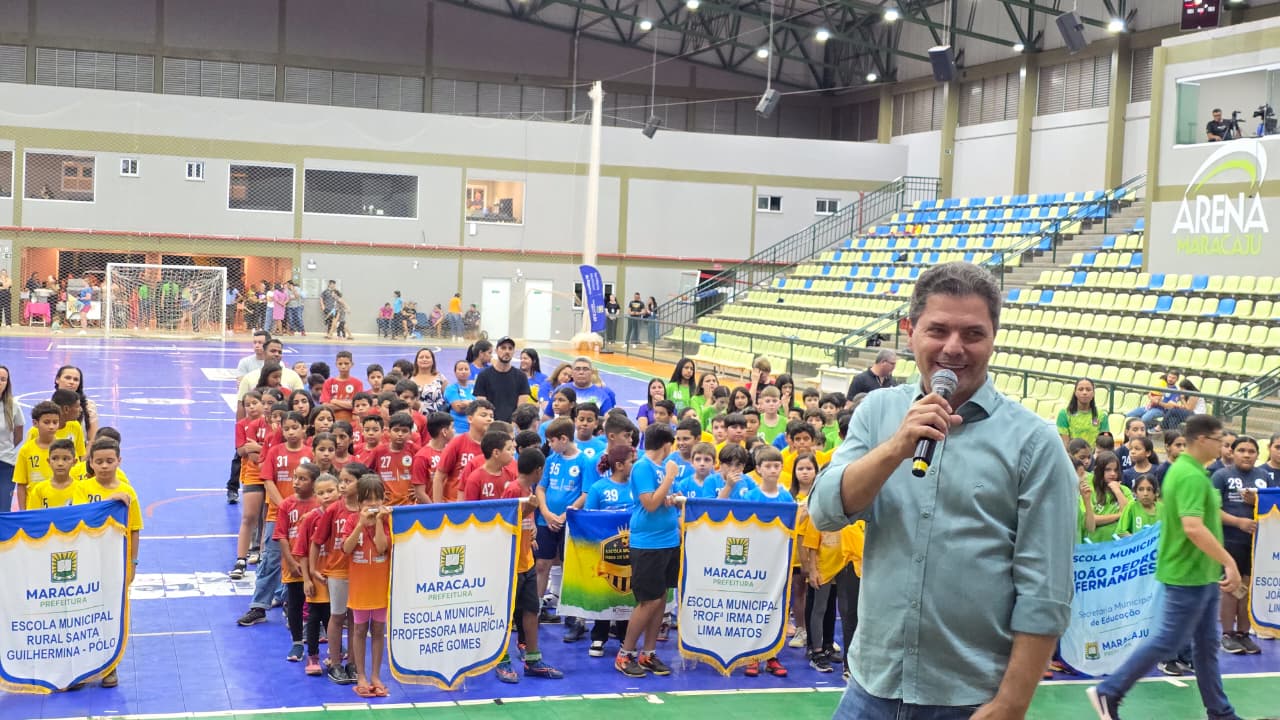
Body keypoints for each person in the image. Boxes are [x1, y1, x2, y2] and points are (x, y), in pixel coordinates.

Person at [809, 262, 1074, 718]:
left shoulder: (1034, 443)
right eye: (938, 330)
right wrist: (895, 447)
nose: (954, 348)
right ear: (910, 332)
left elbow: (1045, 591)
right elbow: (826, 510)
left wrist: (1012, 702)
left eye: (972, 333)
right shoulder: (877, 412)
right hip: (870, 688)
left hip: (968, 699)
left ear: (994, 338)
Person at [1087, 415, 1243, 720]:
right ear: (1202, 440)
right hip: (1187, 574)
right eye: (1218, 438)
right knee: (1167, 639)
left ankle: (1221, 713)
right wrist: (1229, 560)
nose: (1224, 444)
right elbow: (1193, 527)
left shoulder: (1197, 472)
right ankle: (1110, 691)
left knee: (1206, 647)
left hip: (1202, 574)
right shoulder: (1188, 475)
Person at [615, 423, 680, 678]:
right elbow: (650, 504)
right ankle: (625, 654)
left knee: (661, 599)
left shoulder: (660, 469)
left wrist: (672, 496)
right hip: (648, 544)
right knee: (648, 601)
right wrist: (670, 478)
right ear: (667, 444)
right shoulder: (643, 467)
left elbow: (661, 500)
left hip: (668, 540)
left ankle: (648, 653)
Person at [497, 447, 566, 681]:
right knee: (506, 615)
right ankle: (502, 660)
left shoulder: (529, 490)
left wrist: (533, 535)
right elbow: (503, 523)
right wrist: (528, 508)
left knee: (532, 610)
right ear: (538, 470)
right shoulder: (514, 490)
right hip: (509, 565)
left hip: (526, 562)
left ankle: (533, 659)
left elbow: (525, 523)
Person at [1210, 435, 1271, 655]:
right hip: (1229, 541)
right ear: (1232, 453)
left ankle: (1243, 634)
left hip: (1255, 544)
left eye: (1251, 451)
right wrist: (1238, 522)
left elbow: (1275, 507)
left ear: (1257, 455)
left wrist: (1257, 503)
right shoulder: (1221, 476)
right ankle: (1227, 634)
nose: (1246, 454)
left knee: (1245, 590)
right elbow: (1211, 510)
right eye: (1242, 450)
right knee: (1230, 588)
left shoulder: (1264, 477)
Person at [473, 337, 532, 422]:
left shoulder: (521, 377)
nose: (507, 351)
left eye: (510, 348)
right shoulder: (483, 375)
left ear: (513, 352)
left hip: (512, 426)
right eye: (503, 348)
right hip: (490, 424)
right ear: (496, 351)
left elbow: (521, 408)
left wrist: (512, 426)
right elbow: (482, 406)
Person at [1057, 377, 1109, 446]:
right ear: (1075, 393)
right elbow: (1064, 443)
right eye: (1080, 389)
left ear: (1093, 393)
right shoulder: (1064, 414)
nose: (1084, 392)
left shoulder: (1102, 415)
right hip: (1071, 455)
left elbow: (1104, 444)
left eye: (1088, 389)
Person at [54, 364, 97, 441]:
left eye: (76, 379)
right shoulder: (48, 404)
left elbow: (93, 439)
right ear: (57, 379)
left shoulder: (88, 405)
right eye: (67, 378)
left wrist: (85, 453)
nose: (71, 382)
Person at [0, 365, 23, 512]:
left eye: (3, 379)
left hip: (6, 463)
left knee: (3, 508)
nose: (0, 382)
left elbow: (19, 434)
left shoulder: (12, 405)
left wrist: (5, 446)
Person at [410, 348, 448, 414]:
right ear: (416, 360)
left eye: (427, 357)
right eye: (421, 357)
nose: (424, 359)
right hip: (416, 418)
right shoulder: (410, 379)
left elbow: (448, 399)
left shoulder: (441, 378)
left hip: (437, 418)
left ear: (433, 361)